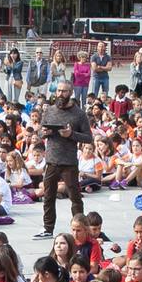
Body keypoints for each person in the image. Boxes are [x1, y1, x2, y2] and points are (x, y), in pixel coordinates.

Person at [36, 87, 90, 240]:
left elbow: (88, 137)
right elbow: (40, 131)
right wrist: (43, 133)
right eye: (58, 91)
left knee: (75, 197)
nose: (60, 94)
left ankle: (80, 228)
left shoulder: (79, 114)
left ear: (70, 93)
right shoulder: (50, 110)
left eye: (64, 91)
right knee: (48, 196)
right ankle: (48, 228)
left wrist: (71, 134)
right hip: (51, 160)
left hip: (69, 161)